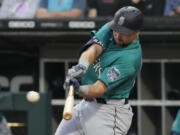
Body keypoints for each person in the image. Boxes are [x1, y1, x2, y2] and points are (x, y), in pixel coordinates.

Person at [55, 6, 143, 135]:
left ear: (137, 32)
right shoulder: (112, 28)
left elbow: (97, 90)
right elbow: (94, 49)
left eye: (123, 32)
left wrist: (78, 88)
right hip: (85, 106)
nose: (118, 35)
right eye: (116, 30)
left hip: (108, 112)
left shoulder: (130, 59)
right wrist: (82, 67)